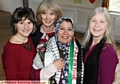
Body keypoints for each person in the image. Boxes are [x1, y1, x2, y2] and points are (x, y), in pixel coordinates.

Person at [30, 17, 83, 84]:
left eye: (69, 29)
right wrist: (52, 67)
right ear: (57, 30)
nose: (65, 33)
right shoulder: (43, 49)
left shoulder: (79, 50)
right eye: (62, 28)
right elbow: (33, 76)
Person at [82, 7, 119, 84]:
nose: (96, 25)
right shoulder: (87, 43)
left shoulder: (108, 51)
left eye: (102, 22)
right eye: (93, 21)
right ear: (89, 23)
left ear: (107, 26)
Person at [2, 7, 37, 80]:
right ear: (15, 24)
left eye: (29, 22)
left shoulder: (28, 39)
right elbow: (12, 79)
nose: (26, 27)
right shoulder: (10, 50)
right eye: (21, 23)